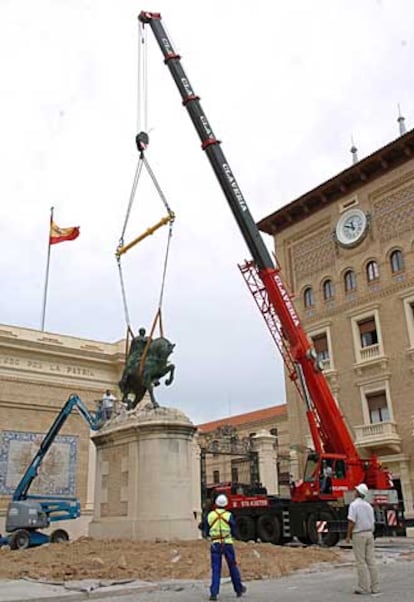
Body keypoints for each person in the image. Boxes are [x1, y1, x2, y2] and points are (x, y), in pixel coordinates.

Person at [204, 493, 246, 601]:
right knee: (232, 566)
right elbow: (234, 530)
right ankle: (239, 589)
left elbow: (206, 531)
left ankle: (214, 593)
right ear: (226, 504)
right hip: (227, 543)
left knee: (216, 569)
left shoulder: (210, 515)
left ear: (216, 504)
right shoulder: (228, 515)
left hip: (215, 543)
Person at [346, 483, 379, 595]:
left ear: (358, 493)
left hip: (359, 534)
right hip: (369, 534)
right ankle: (375, 587)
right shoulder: (368, 506)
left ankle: (363, 587)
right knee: (371, 561)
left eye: (355, 490)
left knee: (361, 562)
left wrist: (348, 535)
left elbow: (351, 522)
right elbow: (372, 522)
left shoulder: (354, 505)